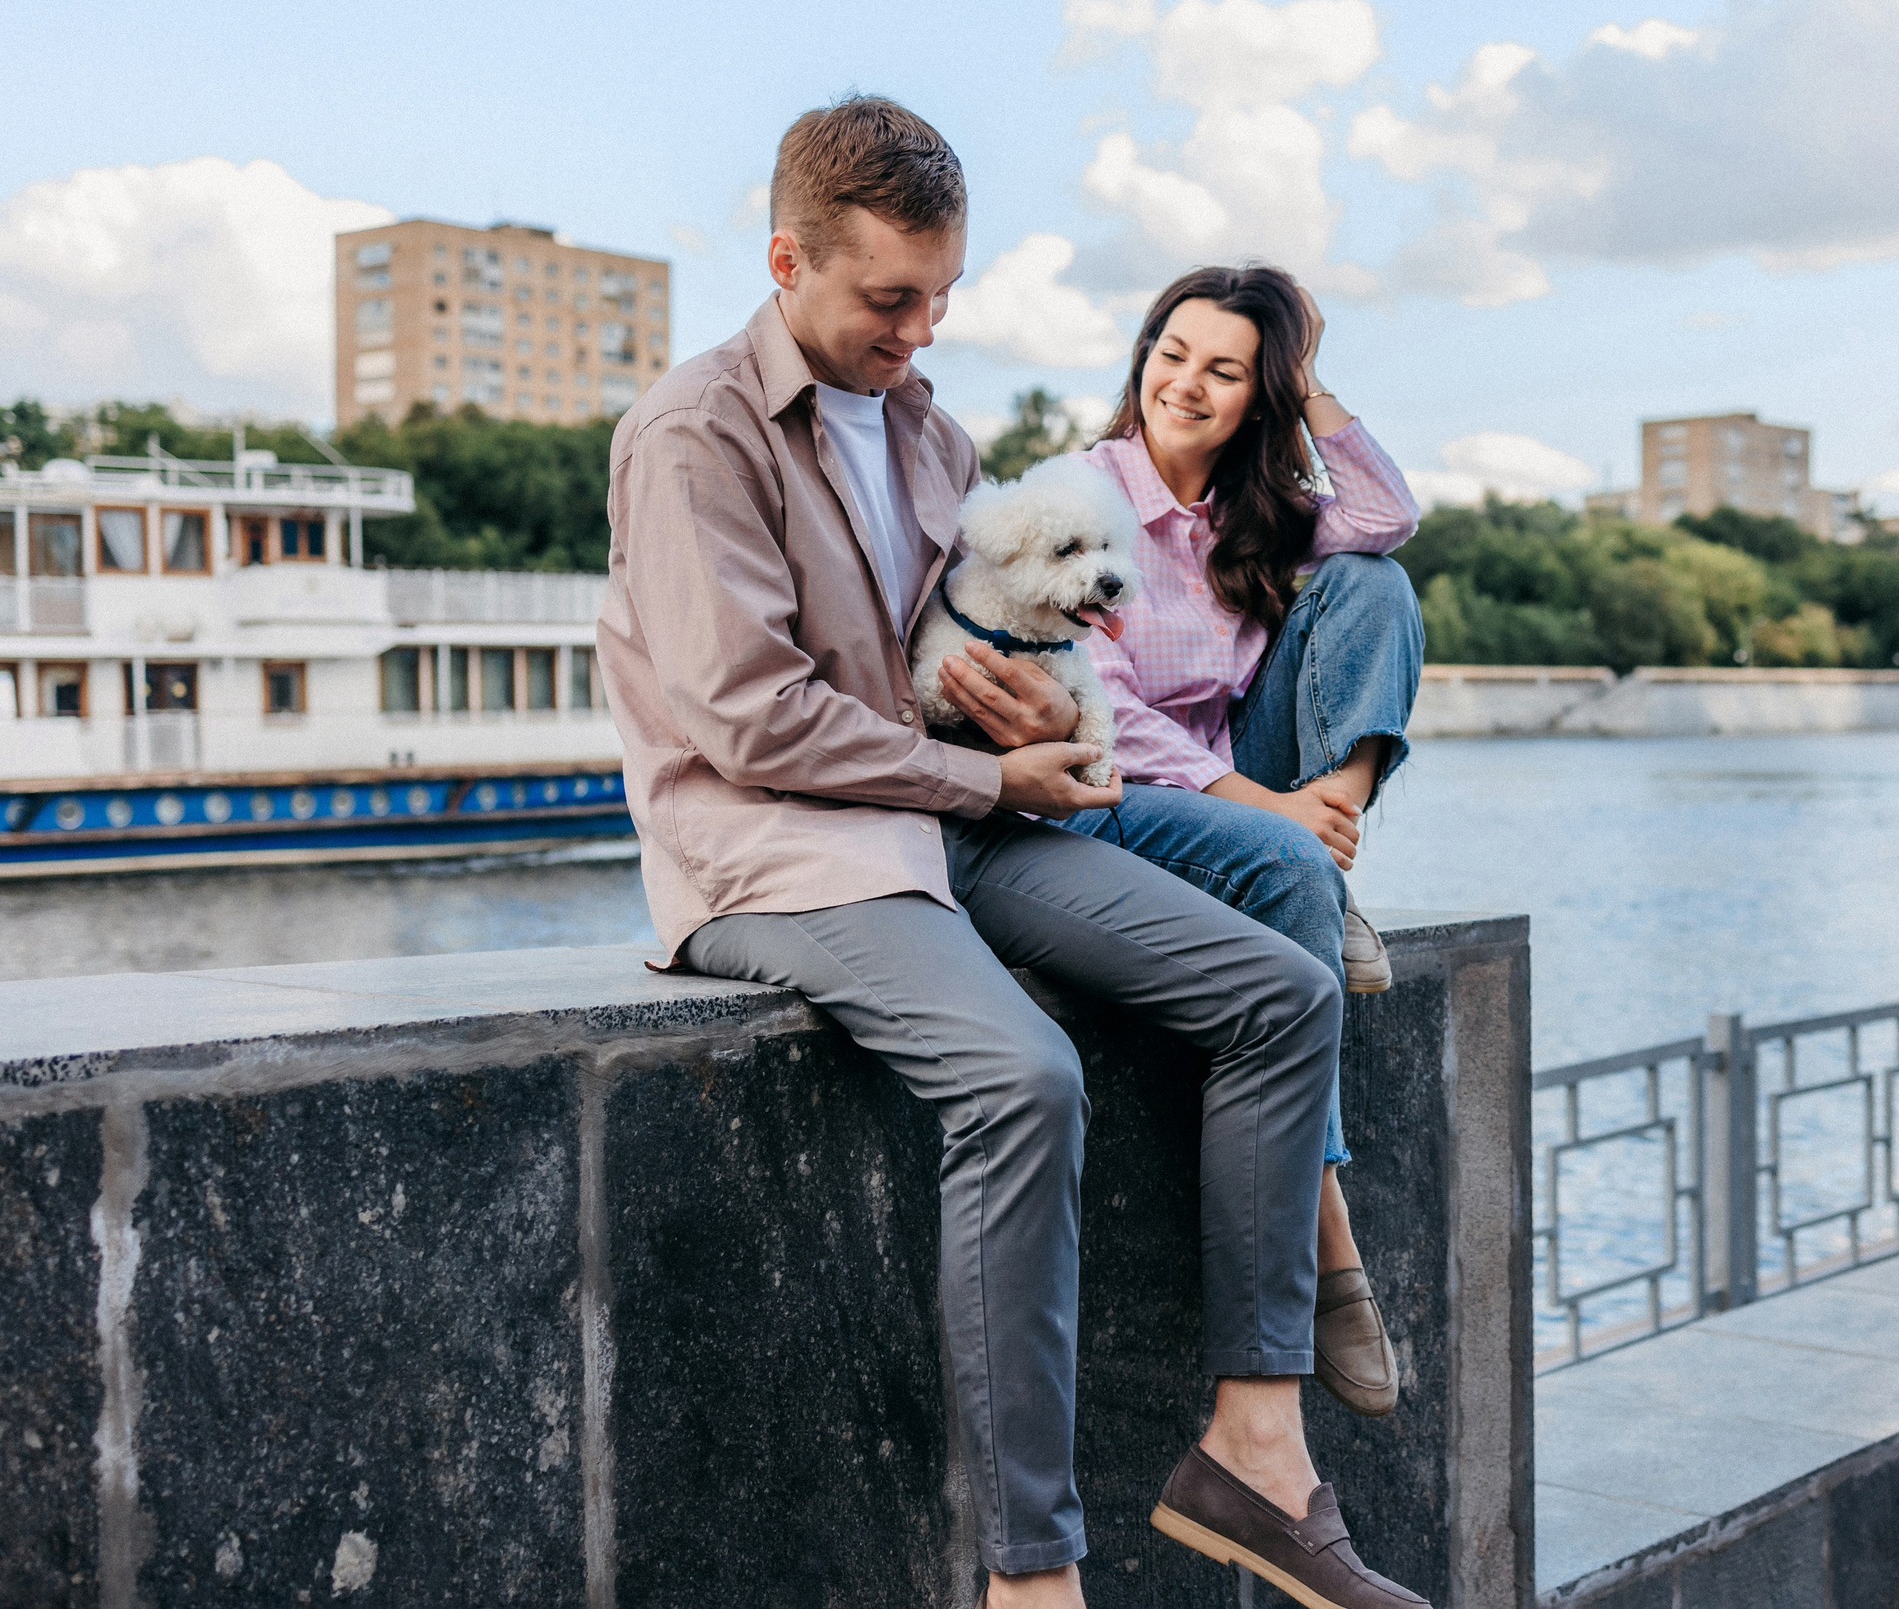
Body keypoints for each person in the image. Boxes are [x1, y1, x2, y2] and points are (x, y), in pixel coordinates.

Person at [597, 96, 1426, 1609]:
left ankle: (1255, 1447)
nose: (919, 333)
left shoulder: (935, 436)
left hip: (952, 813)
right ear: (787, 259)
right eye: (888, 300)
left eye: (941, 297)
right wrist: (976, 768)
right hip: (778, 853)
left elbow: (952, 641)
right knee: (1023, 1078)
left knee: (1282, 993)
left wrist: (1010, 694)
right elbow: (746, 719)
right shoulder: (689, 433)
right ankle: (1029, 1575)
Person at [936, 265, 1424, 1421]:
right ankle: (1332, 1243)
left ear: (1259, 394)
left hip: (1250, 779)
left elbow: (1389, 515)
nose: (1186, 384)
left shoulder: (1254, 516)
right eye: (1171, 352)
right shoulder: (1084, 496)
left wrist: (1308, 387)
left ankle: (1327, 842)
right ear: (1142, 353)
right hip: (1119, 777)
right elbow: (1101, 704)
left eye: (1225, 369)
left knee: (1375, 582)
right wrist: (1267, 809)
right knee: (1284, 860)